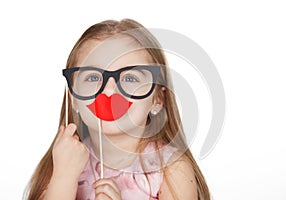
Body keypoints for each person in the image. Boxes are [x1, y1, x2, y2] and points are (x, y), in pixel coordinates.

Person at [24, 19, 210, 200]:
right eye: (93, 77)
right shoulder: (63, 161)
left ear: (158, 99)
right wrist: (63, 178)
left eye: (130, 78)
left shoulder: (172, 169)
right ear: (73, 97)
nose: (109, 91)